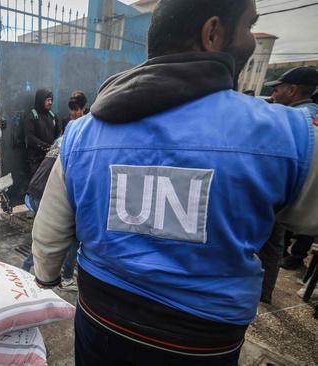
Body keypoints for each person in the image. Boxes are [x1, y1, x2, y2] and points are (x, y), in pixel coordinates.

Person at [31, 1, 318, 365]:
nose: (250, 41)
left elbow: (50, 229)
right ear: (212, 33)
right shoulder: (287, 134)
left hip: (102, 319)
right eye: (249, 27)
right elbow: (308, 220)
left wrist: (45, 277)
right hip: (202, 339)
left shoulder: (83, 133)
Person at [264, 67, 318, 271]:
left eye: (277, 90)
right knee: (275, 247)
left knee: (269, 244)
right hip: (306, 212)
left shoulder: (288, 121)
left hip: (281, 201)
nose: (272, 95)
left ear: (292, 90)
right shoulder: (312, 118)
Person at [21, 137, 78, 292]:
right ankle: (66, 278)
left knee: (47, 234)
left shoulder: (62, 140)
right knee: (72, 238)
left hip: (33, 191)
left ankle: (27, 266)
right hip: (45, 194)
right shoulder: (83, 144)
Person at [24, 88, 60, 176]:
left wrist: (54, 147)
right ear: (41, 100)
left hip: (51, 157)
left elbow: (58, 134)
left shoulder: (52, 116)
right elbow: (30, 138)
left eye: (51, 100)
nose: (50, 102)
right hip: (36, 159)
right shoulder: (31, 117)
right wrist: (46, 147)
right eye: (48, 100)